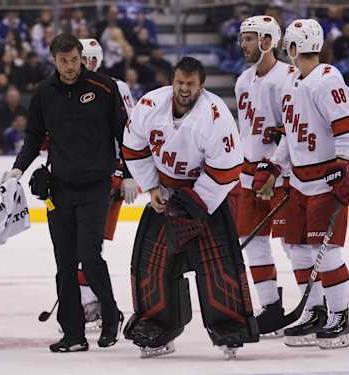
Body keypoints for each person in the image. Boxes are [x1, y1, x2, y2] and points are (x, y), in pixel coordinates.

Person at [121, 57, 259, 359]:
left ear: (201, 86)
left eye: (190, 84)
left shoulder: (215, 115)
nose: (184, 89)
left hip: (205, 199)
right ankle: (157, 325)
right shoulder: (149, 105)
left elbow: (226, 170)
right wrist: (152, 187)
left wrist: (195, 203)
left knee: (217, 264)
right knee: (153, 264)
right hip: (166, 194)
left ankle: (229, 326)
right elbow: (133, 147)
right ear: (173, 81)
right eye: (180, 82)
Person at [3, 33, 128, 352]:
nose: (71, 67)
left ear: (81, 57)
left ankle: (110, 314)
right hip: (59, 190)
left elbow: (124, 134)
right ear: (53, 60)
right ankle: (73, 334)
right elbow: (33, 136)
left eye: (74, 60)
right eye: (64, 61)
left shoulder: (103, 87)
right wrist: (18, 169)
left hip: (96, 186)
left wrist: (127, 174)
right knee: (64, 263)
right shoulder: (44, 92)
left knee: (88, 255)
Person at [257, 19, 349, 349]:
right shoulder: (292, 84)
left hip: (325, 182)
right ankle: (314, 311)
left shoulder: (327, 80)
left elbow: (348, 129)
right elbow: (290, 134)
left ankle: (339, 316)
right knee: (297, 249)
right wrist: (274, 166)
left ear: (291, 48)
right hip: (299, 182)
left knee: (325, 251)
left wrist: (341, 168)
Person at [235, 15, 302, 337]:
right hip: (250, 173)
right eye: (242, 38)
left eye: (249, 38)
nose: (243, 44)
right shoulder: (243, 80)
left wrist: (275, 168)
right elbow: (245, 130)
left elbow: (293, 130)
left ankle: (314, 308)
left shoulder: (288, 78)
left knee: (294, 244)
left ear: (267, 40)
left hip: (282, 174)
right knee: (252, 243)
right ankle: (271, 307)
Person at [75, 38, 139, 330]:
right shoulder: (62, 89)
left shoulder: (116, 87)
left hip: (105, 176)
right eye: (82, 58)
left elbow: (130, 130)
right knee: (78, 243)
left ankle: (88, 302)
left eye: (91, 58)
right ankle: (86, 301)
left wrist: (127, 171)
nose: (87, 64)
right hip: (74, 176)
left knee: (89, 244)